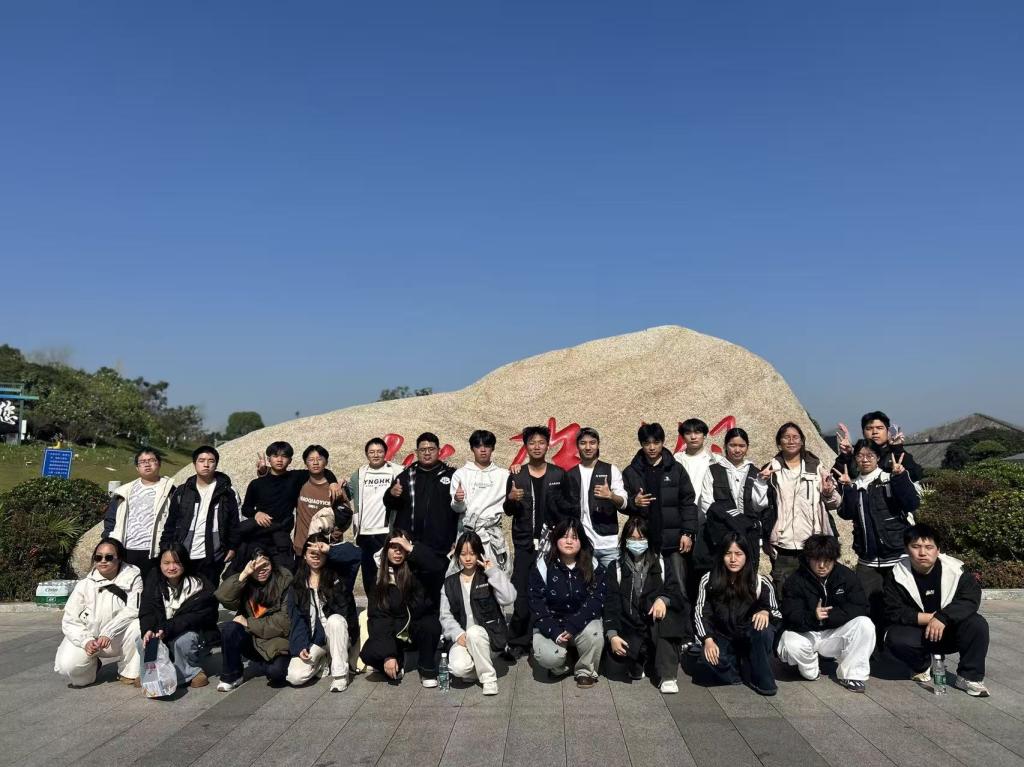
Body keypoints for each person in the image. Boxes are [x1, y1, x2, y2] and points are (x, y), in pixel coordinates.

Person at [884, 524, 990, 697]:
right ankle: (922, 665)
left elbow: (970, 599)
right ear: (906, 549)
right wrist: (930, 618)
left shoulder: (956, 570)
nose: (922, 553)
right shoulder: (897, 574)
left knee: (977, 624)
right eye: (916, 547)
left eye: (929, 547)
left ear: (938, 550)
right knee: (894, 637)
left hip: (950, 630)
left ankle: (969, 677)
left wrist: (943, 617)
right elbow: (893, 610)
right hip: (919, 633)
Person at [834, 439, 920, 641]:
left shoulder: (890, 478)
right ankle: (875, 648)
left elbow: (911, 503)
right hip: (868, 559)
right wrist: (847, 488)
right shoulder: (854, 484)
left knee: (902, 603)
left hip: (896, 555)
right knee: (868, 607)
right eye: (860, 456)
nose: (865, 460)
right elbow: (846, 514)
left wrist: (900, 477)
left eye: (870, 455)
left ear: (878, 458)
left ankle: (907, 645)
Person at [622, 423, 698, 649]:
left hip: (673, 541)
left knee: (679, 587)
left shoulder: (676, 469)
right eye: (647, 443)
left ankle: (685, 635)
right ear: (641, 445)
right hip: (644, 542)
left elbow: (688, 502)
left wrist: (688, 532)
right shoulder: (631, 471)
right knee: (644, 587)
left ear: (663, 443)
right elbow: (623, 502)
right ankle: (648, 635)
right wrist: (634, 502)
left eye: (656, 442)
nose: (652, 447)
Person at [503, 425, 574, 658]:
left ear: (548, 445)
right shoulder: (517, 475)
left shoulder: (558, 475)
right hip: (525, 543)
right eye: (532, 443)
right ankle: (518, 641)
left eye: (541, 442)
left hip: (552, 544)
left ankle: (545, 637)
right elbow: (509, 510)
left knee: (550, 591)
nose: (536, 447)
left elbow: (568, 507)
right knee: (521, 593)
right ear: (526, 446)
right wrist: (511, 499)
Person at [777, 535, 874, 692]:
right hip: (807, 633)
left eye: (827, 560)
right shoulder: (795, 580)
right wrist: (813, 616)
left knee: (865, 624)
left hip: (834, 633)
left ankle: (853, 674)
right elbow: (790, 615)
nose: (822, 566)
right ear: (808, 558)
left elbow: (861, 606)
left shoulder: (846, 576)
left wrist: (830, 616)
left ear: (834, 559)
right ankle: (810, 669)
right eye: (816, 560)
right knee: (789, 641)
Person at [603, 517, 686, 694]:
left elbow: (676, 593)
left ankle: (668, 676)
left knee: (666, 619)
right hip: (630, 626)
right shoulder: (615, 567)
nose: (637, 542)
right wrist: (612, 635)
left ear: (648, 539)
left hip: (654, 624)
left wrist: (663, 599)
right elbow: (611, 604)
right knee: (614, 668)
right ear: (625, 540)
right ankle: (641, 661)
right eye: (632, 538)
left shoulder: (661, 563)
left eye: (641, 538)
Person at [694, 533, 782, 696]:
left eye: (738, 554)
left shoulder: (760, 582)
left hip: (750, 638)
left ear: (746, 556)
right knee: (706, 661)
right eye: (728, 554)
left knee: (763, 630)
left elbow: (777, 613)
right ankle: (740, 671)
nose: (733, 559)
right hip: (723, 636)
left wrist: (765, 612)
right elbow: (701, 613)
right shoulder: (709, 580)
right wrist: (708, 640)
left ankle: (761, 678)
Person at [360, 529, 448, 687]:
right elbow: (378, 617)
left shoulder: (418, 569)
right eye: (393, 547)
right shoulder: (379, 578)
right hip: (396, 631)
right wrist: (388, 654)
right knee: (369, 653)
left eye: (402, 547)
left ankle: (426, 668)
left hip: (418, 625)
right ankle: (400, 661)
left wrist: (413, 549)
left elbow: (438, 567)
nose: (398, 552)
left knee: (431, 624)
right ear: (386, 550)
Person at [238, 441, 343, 572]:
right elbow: (246, 508)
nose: (279, 460)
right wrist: (256, 514)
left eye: (284, 456)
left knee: (286, 573)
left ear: (290, 460)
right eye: (275, 456)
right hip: (258, 535)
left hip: (281, 536)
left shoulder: (296, 478)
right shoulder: (256, 484)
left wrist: (333, 483)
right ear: (269, 459)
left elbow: (322, 470)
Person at [529, 518, 608, 688]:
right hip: (552, 623)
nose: (569, 541)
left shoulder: (593, 565)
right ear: (556, 539)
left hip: (581, 623)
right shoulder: (543, 566)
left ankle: (585, 671)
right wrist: (555, 631)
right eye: (564, 536)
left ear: (582, 541)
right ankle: (560, 667)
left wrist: (573, 625)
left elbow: (597, 599)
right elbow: (536, 603)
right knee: (549, 657)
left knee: (595, 633)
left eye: (575, 537)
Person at [764, 422, 840, 595]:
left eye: (795, 437)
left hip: (814, 543)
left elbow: (835, 503)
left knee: (817, 593)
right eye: (786, 437)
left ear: (802, 441)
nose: (791, 441)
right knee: (785, 594)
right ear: (779, 442)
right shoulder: (771, 470)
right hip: (784, 545)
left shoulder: (817, 467)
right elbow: (761, 506)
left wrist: (828, 492)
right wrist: (762, 483)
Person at [54, 538, 143, 687]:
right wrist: (86, 641)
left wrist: (109, 632)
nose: (103, 561)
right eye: (98, 557)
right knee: (68, 668)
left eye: (109, 557)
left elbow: (134, 609)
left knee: (138, 625)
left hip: (117, 637)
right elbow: (70, 619)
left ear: (119, 558)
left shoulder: (133, 578)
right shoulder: (84, 585)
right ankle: (93, 666)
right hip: (91, 639)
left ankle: (129, 671)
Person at [439, 531, 517, 695]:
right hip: (463, 639)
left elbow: (509, 598)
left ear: (479, 554)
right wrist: (457, 634)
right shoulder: (450, 582)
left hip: (488, 638)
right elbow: (445, 615)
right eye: (463, 554)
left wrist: (493, 572)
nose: (468, 558)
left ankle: (489, 679)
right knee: (457, 668)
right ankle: (477, 669)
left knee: (474, 632)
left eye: (472, 553)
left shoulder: (487, 577)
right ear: (457, 555)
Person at [138, 542, 219, 690]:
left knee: (184, 641)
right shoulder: (154, 580)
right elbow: (147, 609)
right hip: (164, 631)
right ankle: (152, 673)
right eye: (166, 563)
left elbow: (194, 618)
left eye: (177, 562)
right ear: (160, 563)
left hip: (194, 635)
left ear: (185, 563)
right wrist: (148, 629)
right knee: (143, 640)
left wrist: (165, 629)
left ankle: (192, 671)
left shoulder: (199, 585)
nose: (171, 567)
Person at [285, 535, 360, 692]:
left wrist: (330, 549)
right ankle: (323, 661)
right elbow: (297, 618)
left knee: (335, 620)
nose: (316, 556)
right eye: (311, 552)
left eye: (320, 552)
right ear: (304, 556)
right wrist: (300, 645)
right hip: (316, 640)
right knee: (294, 676)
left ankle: (340, 676)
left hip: (339, 635)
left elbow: (357, 555)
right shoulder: (297, 585)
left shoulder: (339, 575)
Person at [695, 427, 772, 576]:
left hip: (748, 536)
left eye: (742, 446)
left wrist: (761, 482)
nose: (737, 450)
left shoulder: (755, 472)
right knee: (721, 576)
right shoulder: (713, 470)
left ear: (747, 447)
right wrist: (731, 523)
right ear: (725, 446)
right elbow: (707, 505)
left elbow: (759, 506)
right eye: (732, 445)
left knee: (747, 576)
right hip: (721, 534)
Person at [214, 549, 293, 690]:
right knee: (230, 629)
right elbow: (223, 597)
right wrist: (244, 574)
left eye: (265, 565)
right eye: (256, 566)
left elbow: (284, 622)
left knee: (276, 673)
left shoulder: (284, 580)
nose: (261, 570)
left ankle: (266, 664)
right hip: (253, 639)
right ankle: (232, 676)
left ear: (272, 564)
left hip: (276, 640)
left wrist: (248, 623)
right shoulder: (246, 581)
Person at [161, 445, 240, 586]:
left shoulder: (227, 492)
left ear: (216, 464)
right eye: (201, 460)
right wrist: (165, 547)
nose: (206, 464)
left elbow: (234, 522)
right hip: (182, 553)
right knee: (182, 591)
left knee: (209, 592)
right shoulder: (182, 491)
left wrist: (233, 547)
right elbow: (171, 522)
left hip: (213, 554)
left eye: (211, 461)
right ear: (194, 464)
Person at [382, 432, 459, 559]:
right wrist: (392, 494)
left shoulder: (452, 475)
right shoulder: (405, 476)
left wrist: (457, 539)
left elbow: (459, 510)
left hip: (441, 547)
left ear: (439, 451)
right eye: (422, 450)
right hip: (409, 546)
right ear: (417, 452)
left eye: (431, 449)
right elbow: (389, 504)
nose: (427, 453)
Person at [103, 448, 175, 579]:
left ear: (159, 464)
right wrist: (109, 540)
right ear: (137, 467)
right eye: (142, 462)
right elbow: (110, 519)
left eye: (151, 460)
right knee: (127, 586)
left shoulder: (171, 491)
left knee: (153, 588)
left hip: (156, 551)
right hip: (126, 550)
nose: (147, 464)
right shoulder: (123, 491)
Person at [348, 437, 404, 600]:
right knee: (369, 577)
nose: (376, 455)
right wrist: (337, 485)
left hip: (387, 532)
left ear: (386, 453)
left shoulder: (397, 471)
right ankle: (373, 609)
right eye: (371, 452)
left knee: (390, 575)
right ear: (367, 454)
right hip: (365, 533)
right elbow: (348, 493)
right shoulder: (359, 474)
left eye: (379, 451)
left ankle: (392, 608)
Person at [564, 427, 628, 567]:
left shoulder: (611, 470)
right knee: (585, 580)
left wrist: (611, 496)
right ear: (577, 446)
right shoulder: (570, 475)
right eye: (583, 443)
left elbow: (624, 503)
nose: (588, 447)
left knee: (613, 580)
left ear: (598, 444)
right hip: (582, 544)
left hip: (608, 544)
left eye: (592, 443)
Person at [451, 430, 511, 574]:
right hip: (467, 534)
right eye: (478, 446)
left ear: (493, 448)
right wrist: (458, 500)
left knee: (496, 578)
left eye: (487, 446)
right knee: (464, 577)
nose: (483, 450)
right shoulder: (461, 474)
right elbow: (457, 509)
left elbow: (510, 506)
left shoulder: (504, 475)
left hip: (492, 534)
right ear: (472, 449)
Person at [834, 411, 924, 482]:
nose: (875, 432)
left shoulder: (895, 453)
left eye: (880, 428)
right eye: (869, 428)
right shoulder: (857, 456)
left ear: (888, 431)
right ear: (863, 433)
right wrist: (845, 455)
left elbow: (916, 475)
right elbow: (835, 478)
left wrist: (898, 449)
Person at [292, 445, 346, 558]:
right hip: (301, 547)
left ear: (326, 462)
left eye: (319, 459)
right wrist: (263, 470)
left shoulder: (335, 489)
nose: (315, 463)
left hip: (326, 548)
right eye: (311, 460)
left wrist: (337, 533)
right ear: (305, 463)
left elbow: (346, 515)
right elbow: (279, 475)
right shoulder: (299, 482)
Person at [673, 418, 717, 525]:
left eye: (697, 432)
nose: (693, 437)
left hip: (708, 518)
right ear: (683, 437)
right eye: (688, 433)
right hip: (681, 517)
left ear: (704, 435)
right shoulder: (675, 460)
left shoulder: (715, 461)